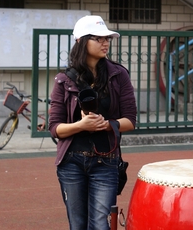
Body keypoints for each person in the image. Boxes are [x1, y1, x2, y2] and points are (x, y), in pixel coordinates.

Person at [49, 15, 137, 230]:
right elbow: (55, 128)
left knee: (101, 225)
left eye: (107, 38)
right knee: (77, 224)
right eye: (97, 38)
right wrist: (81, 126)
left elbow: (130, 120)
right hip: (71, 162)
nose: (105, 42)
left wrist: (105, 125)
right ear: (81, 41)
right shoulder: (64, 79)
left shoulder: (119, 75)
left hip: (105, 162)